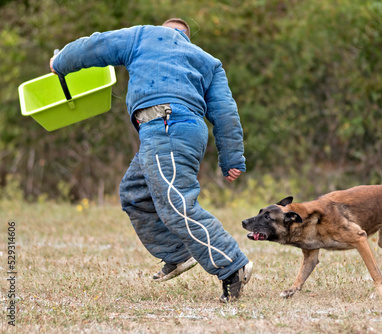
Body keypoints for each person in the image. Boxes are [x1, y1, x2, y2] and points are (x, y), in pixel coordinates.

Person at [50, 18, 252, 302]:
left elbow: (95, 45)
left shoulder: (143, 35)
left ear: (164, 28)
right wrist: (232, 157)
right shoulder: (207, 60)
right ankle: (176, 253)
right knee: (135, 193)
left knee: (176, 203)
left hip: (166, 126)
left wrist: (60, 61)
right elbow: (226, 112)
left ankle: (232, 265)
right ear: (186, 37)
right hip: (178, 131)